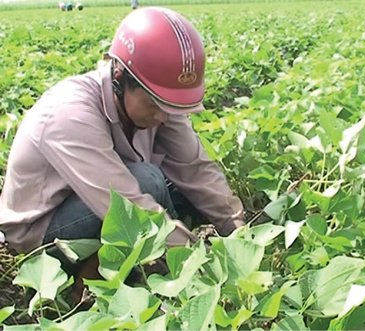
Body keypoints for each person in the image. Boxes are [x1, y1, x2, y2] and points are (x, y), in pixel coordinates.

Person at [0, 7, 244, 277]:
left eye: (172, 107)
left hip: (107, 196)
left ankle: (153, 260)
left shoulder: (158, 105)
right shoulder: (70, 114)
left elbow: (195, 170)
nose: (163, 117)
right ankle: (99, 275)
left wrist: (241, 236)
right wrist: (202, 266)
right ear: (119, 78)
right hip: (42, 235)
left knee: (184, 190)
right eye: (154, 104)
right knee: (148, 181)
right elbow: (129, 207)